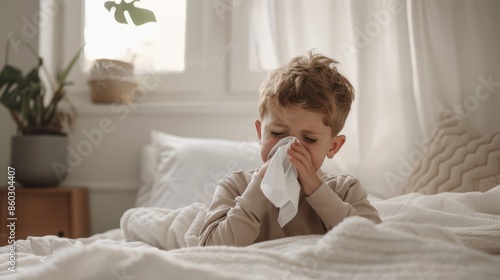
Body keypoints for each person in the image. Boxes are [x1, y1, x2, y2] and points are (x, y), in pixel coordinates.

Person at [198, 51, 381, 247]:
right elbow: (211, 247)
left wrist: (316, 189)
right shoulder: (236, 187)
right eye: (277, 133)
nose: (289, 147)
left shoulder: (344, 190)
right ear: (260, 133)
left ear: (333, 146)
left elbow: (374, 243)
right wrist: (258, 189)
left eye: (309, 139)